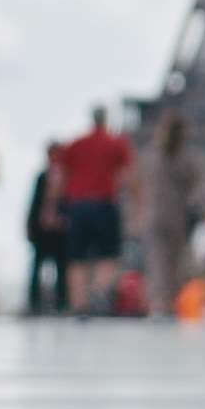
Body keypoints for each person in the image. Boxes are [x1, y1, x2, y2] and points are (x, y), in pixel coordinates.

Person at [52, 111, 133, 316]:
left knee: (76, 258)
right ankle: (99, 289)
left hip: (77, 206)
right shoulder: (115, 143)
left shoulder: (76, 144)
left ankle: (79, 303)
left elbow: (59, 176)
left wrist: (53, 206)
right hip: (104, 204)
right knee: (109, 256)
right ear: (106, 120)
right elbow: (128, 175)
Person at [132, 111, 200, 324]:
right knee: (174, 263)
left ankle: (158, 305)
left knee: (156, 262)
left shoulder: (150, 154)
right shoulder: (185, 157)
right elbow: (194, 187)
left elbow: (138, 183)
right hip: (176, 216)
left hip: (154, 215)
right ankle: (170, 304)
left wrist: (139, 211)